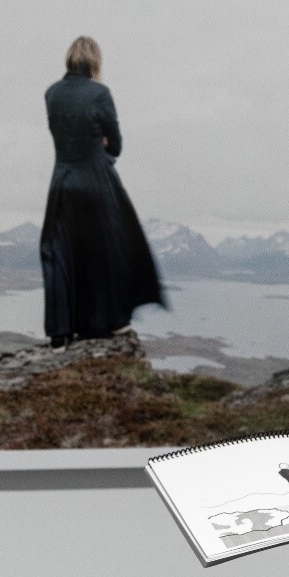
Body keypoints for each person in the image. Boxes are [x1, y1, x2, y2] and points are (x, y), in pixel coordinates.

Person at [40, 36, 165, 347]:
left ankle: (60, 329)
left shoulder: (51, 93)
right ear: (95, 62)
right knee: (108, 250)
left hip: (62, 183)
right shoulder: (100, 93)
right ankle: (108, 322)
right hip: (96, 181)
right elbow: (117, 143)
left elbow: (60, 133)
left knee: (61, 254)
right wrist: (103, 144)